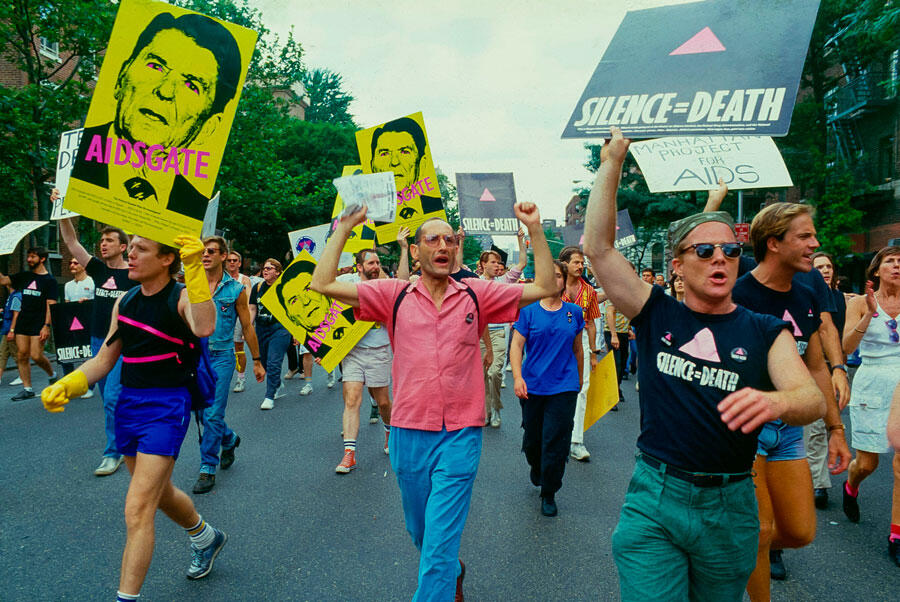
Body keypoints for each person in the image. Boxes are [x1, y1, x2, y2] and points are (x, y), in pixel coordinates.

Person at [586, 127, 824, 602]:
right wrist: (612, 162)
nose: (721, 258)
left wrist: (773, 400)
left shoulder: (762, 329)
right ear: (677, 264)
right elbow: (599, 248)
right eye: (704, 250)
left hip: (730, 505)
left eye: (731, 250)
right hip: (656, 498)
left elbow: (810, 398)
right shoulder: (655, 312)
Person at [310, 201, 555, 601]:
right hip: (409, 432)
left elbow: (545, 287)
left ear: (457, 249)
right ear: (416, 250)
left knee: (439, 544)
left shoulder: (477, 294)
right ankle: (451, 570)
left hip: (461, 433)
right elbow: (322, 285)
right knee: (421, 532)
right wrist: (343, 227)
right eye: (433, 239)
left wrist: (535, 229)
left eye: (450, 239)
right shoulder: (393, 295)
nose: (443, 245)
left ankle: (441, 576)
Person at [41, 234, 225, 600]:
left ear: (167, 259)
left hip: (167, 408)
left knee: (137, 508)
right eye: (132, 247)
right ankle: (206, 536)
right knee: (159, 494)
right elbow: (104, 359)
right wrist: (69, 383)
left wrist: (194, 269)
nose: (131, 254)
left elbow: (205, 327)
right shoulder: (124, 301)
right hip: (129, 404)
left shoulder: (183, 296)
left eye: (141, 249)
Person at [731, 202, 850, 597]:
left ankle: (734, 547)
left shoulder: (806, 293)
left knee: (799, 532)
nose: (815, 244)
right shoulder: (737, 293)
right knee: (761, 531)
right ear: (773, 243)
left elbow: (815, 367)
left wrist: (835, 428)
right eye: (804, 236)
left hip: (791, 431)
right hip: (745, 429)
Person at [70, 12, 242, 220]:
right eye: (156, 66)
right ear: (122, 76)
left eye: (191, 85)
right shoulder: (74, 165)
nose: (165, 91)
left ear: (208, 126)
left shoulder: (193, 209)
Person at [60, 211, 136, 476]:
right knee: (109, 398)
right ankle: (126, 438)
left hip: (124, 343)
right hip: (97, 341)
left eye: (110, 240)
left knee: (113, 398)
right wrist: (62, 214)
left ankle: (113, 453)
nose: (103, 244)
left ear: (123, 246)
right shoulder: (98, 269)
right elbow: (71, 242)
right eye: (102, 240)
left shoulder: (135, 274)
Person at [840, 246, 900, 566]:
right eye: (891, 261)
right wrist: (869, 314)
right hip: (872, 382)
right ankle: (851, 485)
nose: (897, 266)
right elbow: (847, 346)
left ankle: (897, 534)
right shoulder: (859, 303)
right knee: (869, 463)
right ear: (875, 271)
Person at [510, 259, 584, 516]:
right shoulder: (528, 311)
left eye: (558, 276)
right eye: (548, 276)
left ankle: (549, 491)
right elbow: (517, 346)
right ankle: (536, 466)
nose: (554, 280)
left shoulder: (574, 312)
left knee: (556, 439)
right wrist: (518, 377)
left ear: (564, 281)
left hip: (564, 386)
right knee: (533, 440)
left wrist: (580, 380)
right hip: (533, 386)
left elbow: (577, 349)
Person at [192, 236, 265, 494]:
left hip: (222, 357)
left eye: (211, 251)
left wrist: (256, 361)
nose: (205, 255)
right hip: (195, 357)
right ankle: (229, 439)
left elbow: (246, 326)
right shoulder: (191, 286)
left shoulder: (235, 290)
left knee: (212, 414)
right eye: (202, 251)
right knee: (201, 412)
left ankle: (207, 468)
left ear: (223, 256)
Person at [334, 249, 394, 473]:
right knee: (352, 400)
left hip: (379, 350)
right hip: (353, 352)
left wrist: (404, 248)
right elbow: (322, 291)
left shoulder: (385, 285)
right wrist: (319, 346)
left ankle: (390, 431)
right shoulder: (346, 281)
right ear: (359, 267)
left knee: (383, 402)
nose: (376, 266)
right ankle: (349, 454)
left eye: (378, 262)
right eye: (371, 263)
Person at [806, 251, 848, 510]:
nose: (825, 270)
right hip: (809, 365)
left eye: (828, 266)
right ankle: (817, 483)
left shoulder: (844, 300)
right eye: (819, 266)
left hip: (834, 368)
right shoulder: (804, 295)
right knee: (814, 427)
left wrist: (839, 367)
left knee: (825, 425)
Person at [478, 229, 528, 427]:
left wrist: (520, 240)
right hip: (479, 335)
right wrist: (461, 241)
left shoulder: (504, 281)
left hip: (498, 332)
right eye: (493, 262)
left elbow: (522, 263)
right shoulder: (474, 282)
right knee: (482, 375)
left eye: (499, 262)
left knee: (494, 373)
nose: (497, 265)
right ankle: (486, 410)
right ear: (483, 265)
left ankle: (496, 408)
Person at [558, 245, 601, 461]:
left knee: (582, 388)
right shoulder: (553, 287)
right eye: (576, 262)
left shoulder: (590, 291)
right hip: (556, 340)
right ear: (564, 263)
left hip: (581, 339)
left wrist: (593, 353)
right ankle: (555, 433)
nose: (581, 266)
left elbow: (591, 323)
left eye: (582, 263)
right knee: (556, 387)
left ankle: (576, 441)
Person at [0, 247, 58, 401]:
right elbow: (3, 280)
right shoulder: (25, 276)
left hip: (38, 324)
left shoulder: (50, 281)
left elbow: (50, 305)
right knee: (22, 355)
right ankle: (27, 388)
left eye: (32, 257)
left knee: (36, 355)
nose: (29, 259)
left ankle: (52, 374)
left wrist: (46, 326)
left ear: (42, 259)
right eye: (28, 256)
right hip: (23, 322)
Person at [368, 116, 444, 217]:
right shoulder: (368, 218)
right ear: (372, 166)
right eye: (384, 153)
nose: (394, 162)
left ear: (422, 164)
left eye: (404, 152)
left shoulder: (436, 207)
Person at [250, 259, 293, 410]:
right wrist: (247, 328)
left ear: (278, 272)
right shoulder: (258, 287)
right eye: (264, 268)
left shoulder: (284, 288)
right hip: (261, 328)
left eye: (269, 268)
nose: (265, 271)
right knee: (264, 362)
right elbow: (253, 309)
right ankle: (275, 382)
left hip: (280, 328)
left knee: (274, 362)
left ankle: (269, 396)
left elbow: (293, 311)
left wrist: (295, 332)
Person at [60, 257, 96, 383]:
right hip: (73, 324)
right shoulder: (67, 285)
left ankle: (88, 385)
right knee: (66, 353)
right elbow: (67, 305)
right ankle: (69, 382)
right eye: (70, 262)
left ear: (84, 266)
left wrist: (89, 302)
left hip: (89, 323)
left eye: (76, 262)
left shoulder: (92, 282)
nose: (72, 265)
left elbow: (98, 303)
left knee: (88, 355)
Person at [225, 250, 253, 393]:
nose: (232, 263)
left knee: (238, 349)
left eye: (235, 260)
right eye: (229, 260)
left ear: (240, 263)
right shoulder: (220, 278)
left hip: (237, 318)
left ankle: (240, 379)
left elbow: (247, 304)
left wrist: (245, 324)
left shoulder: (244, 280)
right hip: (223, 317)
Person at [602, 297, 632, 408]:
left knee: (623, 362)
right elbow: (610, 313)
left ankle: (617, 388)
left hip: (623, 332)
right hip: (612, 332)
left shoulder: (628, 295)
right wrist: (614, 335)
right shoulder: (614, 294)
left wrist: (629, 329)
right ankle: (611, 397)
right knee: (616, 364)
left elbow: (626, 314)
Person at [0, 284, 22, 385]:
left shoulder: (16, 296)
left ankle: (23, 376)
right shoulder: (11, 296)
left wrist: (12, 331)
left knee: (16, 354)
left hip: (11, 330)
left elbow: (16, 315)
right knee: (2, 354)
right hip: (6, 329)